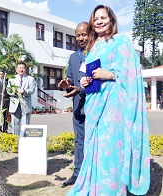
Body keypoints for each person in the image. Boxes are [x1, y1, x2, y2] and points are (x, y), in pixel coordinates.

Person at [68, 5, 150, 195]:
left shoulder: (121, 42)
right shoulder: (93, 47)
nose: (99, 21)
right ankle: (94, 187)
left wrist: (109, 74)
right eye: (95, 18)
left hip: (113, 106)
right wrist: (84, 80)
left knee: (111, 149)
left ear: (111, 20)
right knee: (94, 147)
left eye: (103, 17)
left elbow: (131, 74)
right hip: (94, 104)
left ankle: (111, 190)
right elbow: (84, 74)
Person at [57, 22, 88, 187]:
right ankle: (77, 175)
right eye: (78, 35)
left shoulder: (98, 54)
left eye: (84, 34)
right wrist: (66, 83)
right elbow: (70, 78)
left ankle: (92, 175)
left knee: (94, 142)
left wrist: (80, 89)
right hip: (78, 107)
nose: (81, 38)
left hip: (94, 107)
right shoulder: (73, 57)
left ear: (91, 34)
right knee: (79, 141)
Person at [7, 62, 36, 136]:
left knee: (25, 125)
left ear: (25, 69)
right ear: (16, 70)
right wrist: (13, 91)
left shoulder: (30, 79)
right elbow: (8, 90)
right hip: (15, 105)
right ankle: (15, 141)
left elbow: (32, 90)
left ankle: (25, 142)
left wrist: (25, 91)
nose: (21, 70)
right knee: (15, 124)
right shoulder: (11, 78)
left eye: (23, 68)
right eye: (20, 68)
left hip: (25, 105)